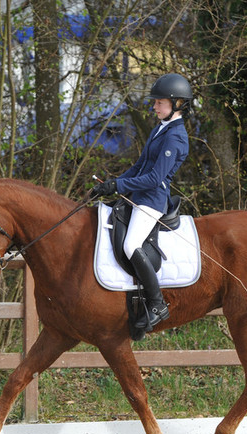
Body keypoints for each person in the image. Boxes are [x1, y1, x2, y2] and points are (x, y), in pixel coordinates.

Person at [92, 73, 192, 330]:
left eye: (159, 102)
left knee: (130, 245)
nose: (154, 106)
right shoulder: (161, 129)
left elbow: (154, 177)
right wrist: (111, 185)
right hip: (139, 195)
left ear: (177, 104)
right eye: (155, 102)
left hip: (152, 200)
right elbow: (139, 167)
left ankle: (157, 302)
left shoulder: (176, 136)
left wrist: (120, 185)